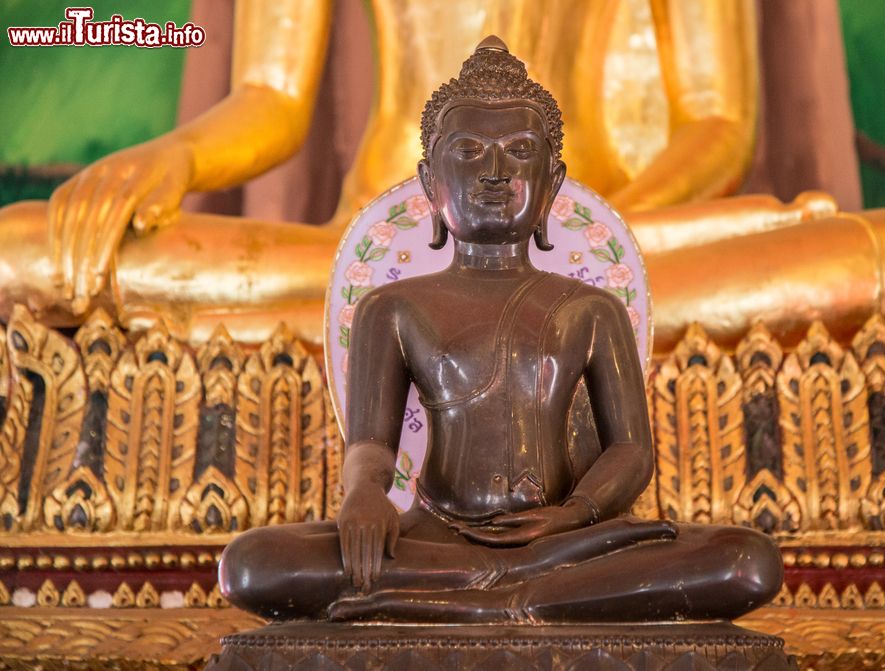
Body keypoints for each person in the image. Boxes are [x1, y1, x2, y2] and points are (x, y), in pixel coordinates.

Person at [0, 0, 885, 351]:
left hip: (596, 247)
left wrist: (584, 233)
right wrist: (169, 158)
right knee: (24, 254)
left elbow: (717, 121)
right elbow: (267, 91)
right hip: (367, 249)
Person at [217, 38, 782, 623]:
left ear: (552, 184)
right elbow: (372, 445)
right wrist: (363, 496)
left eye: (518, 151)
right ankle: (519, 598)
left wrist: (575, 515)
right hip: (434, 539)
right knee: (254, 564)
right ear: (431, 182)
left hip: (563, 542)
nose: (494, 172)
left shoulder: (592, 308)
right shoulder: (392, 307)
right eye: (467, 151)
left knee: (746, 561)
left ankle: (498, 598)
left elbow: (631, 450)